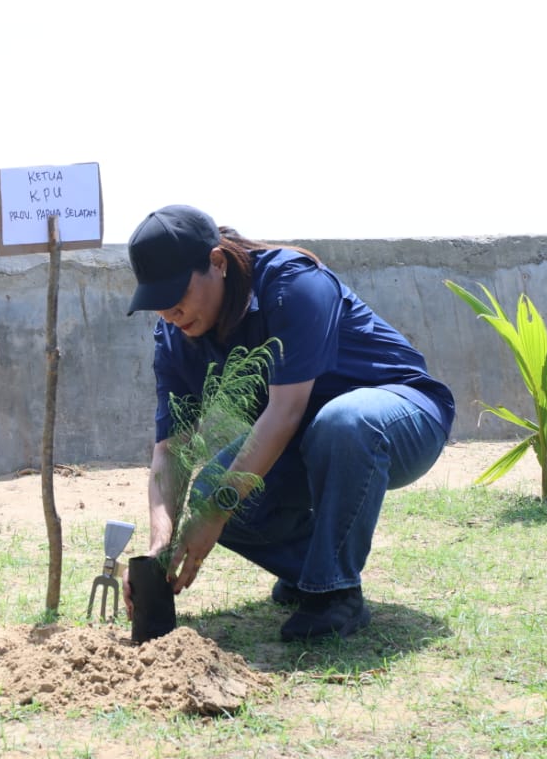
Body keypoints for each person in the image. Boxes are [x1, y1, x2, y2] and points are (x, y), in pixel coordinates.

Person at [124, 204, 455, 641]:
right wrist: (159, 547)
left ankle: (334, 594)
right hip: (307, 435)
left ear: (217, 264)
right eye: (156, 302)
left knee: (340, 423)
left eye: (176, 294)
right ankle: (312, 571)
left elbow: (285, 412)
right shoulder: (175, 335)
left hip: (400, 416)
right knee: (209, 492)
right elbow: (173, 448)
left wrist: (217, 511)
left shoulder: (293, 285)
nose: (169, 312)